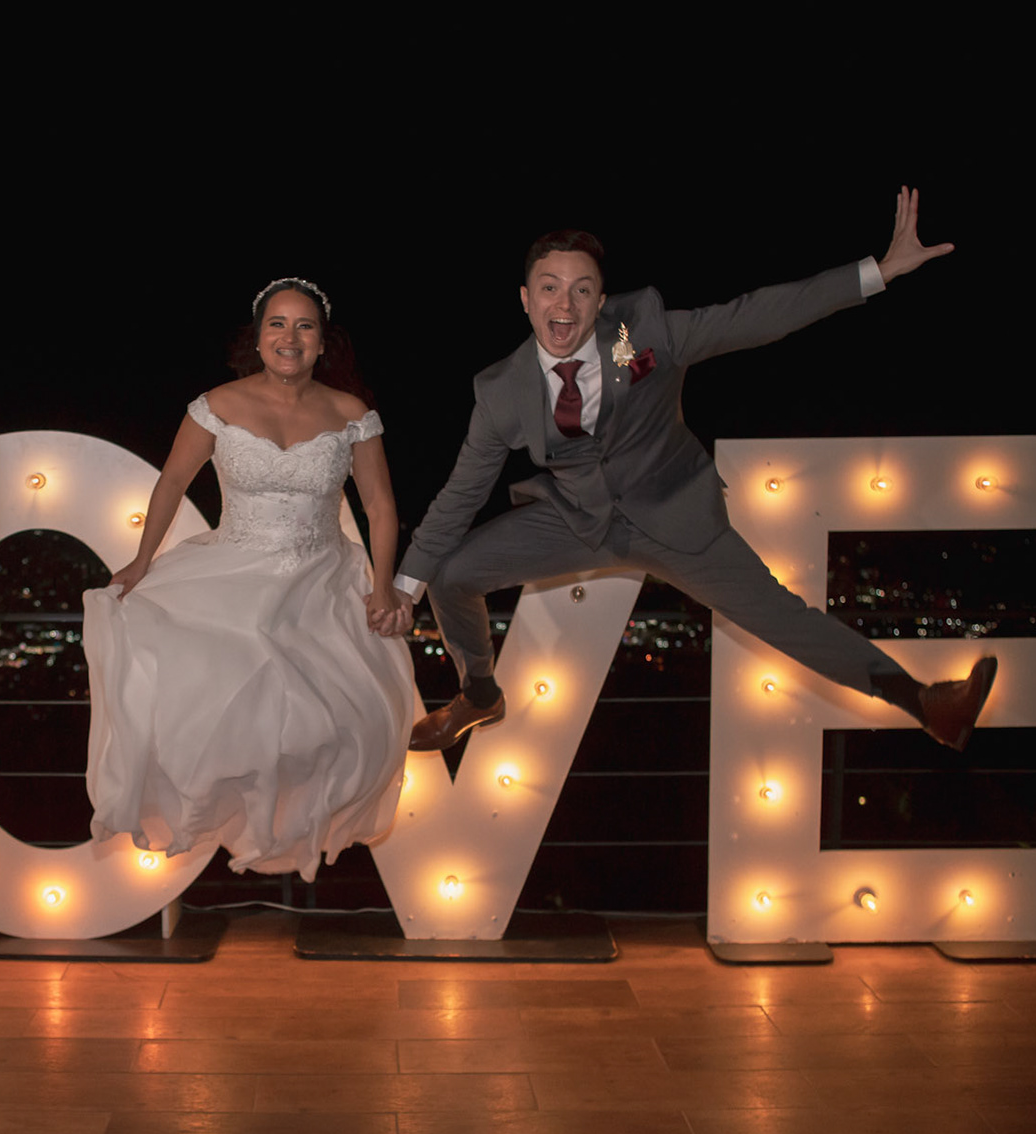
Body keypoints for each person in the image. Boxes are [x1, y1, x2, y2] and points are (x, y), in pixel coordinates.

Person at [397, 188, 998, 753]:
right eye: (549, 288)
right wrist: (403, 590)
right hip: (578, 519)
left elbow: (756, 315)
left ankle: (925, 704)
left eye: (582, 290)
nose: (565, 303)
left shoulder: (642, 331)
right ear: (526, 298)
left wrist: (877, 271)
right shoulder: (500, 391)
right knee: (450, 575)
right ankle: (480, 695)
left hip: (675, 518)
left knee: (781, 618)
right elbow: (460, 494)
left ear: (601, 302)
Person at [83, 278, 414, 882]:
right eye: (277, 324)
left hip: (322, 580)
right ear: (258, 339)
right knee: (217, 705)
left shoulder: (352, 415)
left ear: (322, 343)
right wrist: (142, 560)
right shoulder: (216, 405)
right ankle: (229, 816)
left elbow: (381, 506)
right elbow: (172, 482)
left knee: (343, 721)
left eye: (305, 326)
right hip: (234, 570)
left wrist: (384, 585)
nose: (291, 337)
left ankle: (289, 826)